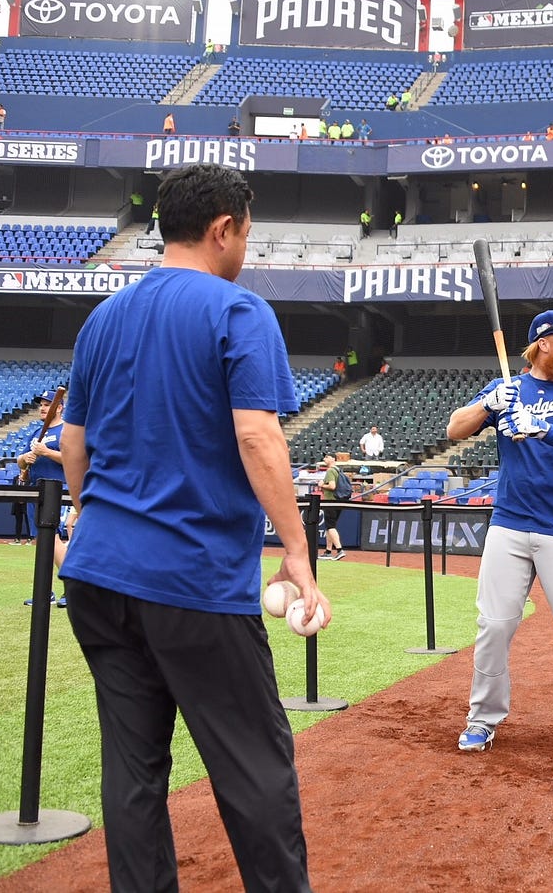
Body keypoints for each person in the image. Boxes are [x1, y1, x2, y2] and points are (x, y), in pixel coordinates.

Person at [59, 164, 326, 892]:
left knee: (134, 773)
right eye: (246, 232)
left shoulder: (103, 318)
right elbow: (257, 438)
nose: (247, 246)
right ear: (222, 229)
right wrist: (298, 552)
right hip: (193, 582)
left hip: (96, 576)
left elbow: (74, 447)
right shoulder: (239, 311)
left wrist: (90, 517)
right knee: (255, 768)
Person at [445, 309, 553, 758]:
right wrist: (488, 404)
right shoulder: (508, 389)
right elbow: (454, 429)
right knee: (494, 627)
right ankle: (481, 720)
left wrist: (543, 429)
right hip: (509, 526)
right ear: (544, 344)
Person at [17, 388, 71, 600]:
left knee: (54, 540)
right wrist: (25, 458)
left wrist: (46, 452)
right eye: (41, 404)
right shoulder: (36, 433)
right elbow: (20, 461)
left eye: (47, 404)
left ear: (59, 408)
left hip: (58, 491)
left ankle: (73, 590)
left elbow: (74, 459)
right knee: (42, 540)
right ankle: (44, 592)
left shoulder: (66, 431)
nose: (42, 408)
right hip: (36, 491)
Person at [318, 454, 347, 560]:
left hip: (331, 501)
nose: (324, 459)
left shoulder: (330, 471)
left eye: (327, 457)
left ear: (333, 459)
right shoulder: (338, 470)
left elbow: (332, 486)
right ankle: (328, 551)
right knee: (329, 527)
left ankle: (339, 550)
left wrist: (321, 485)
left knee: (330, 526)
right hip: (338, 501)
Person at [10, 473, 33, 544]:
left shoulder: (30, 478)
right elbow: (13, 490)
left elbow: (30, 490)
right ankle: (17, 539)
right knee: (18, 521)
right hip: (17, 503)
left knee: (28, 521)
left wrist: (24, 499)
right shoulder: (16, 478)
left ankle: (30, 539)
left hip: (26, 503)